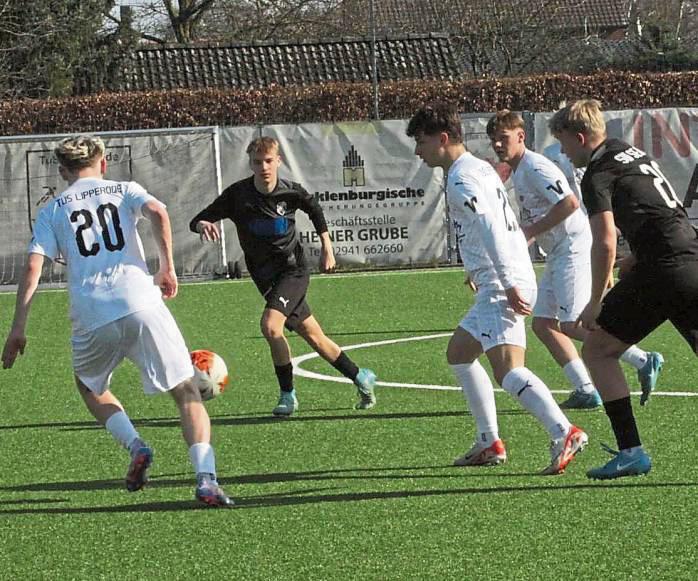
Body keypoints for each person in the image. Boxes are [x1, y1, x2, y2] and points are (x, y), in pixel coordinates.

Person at [1, 135, 233, 507]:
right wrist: (167, 268)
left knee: (90, 387)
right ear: (103, 163)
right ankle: (206, 480)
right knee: (186, 391)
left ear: (63, 172)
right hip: (140, 300)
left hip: (92, 312)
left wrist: (18, 329)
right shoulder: (124, 188)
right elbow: (158, 211)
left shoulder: (53, 210)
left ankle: (136, 445)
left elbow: (33, 265)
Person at [407, 103, 587, 474]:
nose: (417, 151)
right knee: (459, 353)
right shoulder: (477, 168)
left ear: (442, 139)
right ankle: (489, 441)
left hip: (502, 282)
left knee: (508, 372)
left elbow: (489, 227)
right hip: (503, 275)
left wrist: (505, 282)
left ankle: (563, 431)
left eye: (421, 142)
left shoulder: (462, 178)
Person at [550, 99, 698, 479]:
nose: (565, 152)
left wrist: (595, 301)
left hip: (663, 271)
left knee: (598, 349)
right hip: (689, 257)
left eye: (564, 144)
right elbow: (660, 210)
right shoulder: (631, 153)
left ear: (580, 138)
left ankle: (632, 451)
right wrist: (638, 256)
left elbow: (604, 242)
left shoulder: (596, 172)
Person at [487, 110, 664, 409]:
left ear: (521, 136)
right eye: (494, 141)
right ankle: (585, 389)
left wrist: (530, 231)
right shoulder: (519, 170)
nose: (498, 146)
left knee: (570, 323)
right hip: (559, 250)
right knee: (543, 324)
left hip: (573, 247)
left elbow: (569, 203)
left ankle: (643, 359)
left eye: (503, 139)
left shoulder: (535, 166)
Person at [189, 136, 376, 417]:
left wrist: (327, 247)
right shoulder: (237, 196)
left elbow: (314, 209)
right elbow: (198, 219)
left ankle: (287, 396)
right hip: (264, 277)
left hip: (293, 271)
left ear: (278, 161)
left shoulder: (291, 192)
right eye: (257, 162)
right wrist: (203, 223)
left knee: (271, 326)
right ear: (250, 164)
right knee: (314, 336)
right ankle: (361, 377)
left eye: (268, 161)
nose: (263, 167)